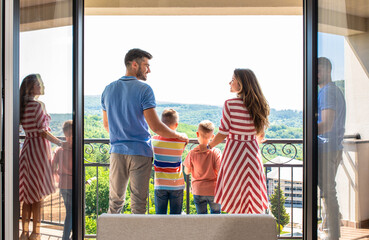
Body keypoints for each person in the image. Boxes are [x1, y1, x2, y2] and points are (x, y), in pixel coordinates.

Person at [101, 48, 188, 214]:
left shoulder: (108, 89)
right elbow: (155, 126)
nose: (149, 70)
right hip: (140, 152)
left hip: (117, 152)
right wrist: (179, 136)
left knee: (115, 202)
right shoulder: (144, 89)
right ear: (134, 64)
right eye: (146, 65)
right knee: (139, 205)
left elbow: (107, 126)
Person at [194, 69, 269, 214]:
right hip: (252, 154)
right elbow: (260, 135)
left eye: (233, 79)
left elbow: (223, 133)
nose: (230, 82)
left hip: (235, 154)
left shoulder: (230, 104)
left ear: (241, 83)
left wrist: (208, 146)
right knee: (251, 198)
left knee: (235, 196)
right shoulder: (259, 105)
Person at [19, 74, 65, 240]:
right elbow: (43, 132)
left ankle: (24, 233)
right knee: (37, 196)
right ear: (32, 87)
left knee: (27, 196)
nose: (43, 85)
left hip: (27, 149)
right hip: (39, 150)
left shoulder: (22, 106)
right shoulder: (38, 105)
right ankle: (35, 234)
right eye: (40, 83)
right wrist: (60, 143)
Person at [317, 57, 346, 240]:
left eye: (318, 70)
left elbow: (326, 124)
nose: (316, 74)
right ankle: (330, 230)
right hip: (332, 148)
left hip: (327, 149)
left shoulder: (328, 92)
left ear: (327, 70)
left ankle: (334, 235)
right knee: (328, 192)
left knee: (329, 192)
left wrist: (308, 131)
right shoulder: (333, 91)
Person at [152, 108, 187, 214]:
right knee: (175, 218)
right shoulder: (182, 141)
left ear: (161, 124)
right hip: (176, 184)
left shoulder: (154, 140)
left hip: (160, 184)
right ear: (176, 125)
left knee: (160, 217)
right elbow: (185, 137)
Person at [183, 120, 221, 214]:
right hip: (214, 190)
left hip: (198, 190)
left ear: (197, 134)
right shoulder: (215, 152)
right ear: (212, 137)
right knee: (216, 216)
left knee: (201, 217)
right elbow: (221, 170)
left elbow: (186, 171)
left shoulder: (192, 153)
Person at [52, 120, 73, 240]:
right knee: (73, 212)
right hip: (73, 185)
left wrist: (57, 178)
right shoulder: (77, 150)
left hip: (63, 185)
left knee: (69, 211)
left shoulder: (59, 150)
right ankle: (65, 237)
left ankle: (69, 236)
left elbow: (53, 166)